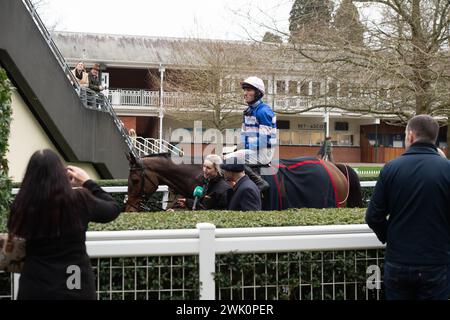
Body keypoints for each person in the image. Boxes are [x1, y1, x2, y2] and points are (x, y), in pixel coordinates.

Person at [7, 149, 121, 300]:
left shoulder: (22, 204)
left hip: (35, 285)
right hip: (74, 281)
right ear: (61, 174)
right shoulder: (79, 200)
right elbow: (113, 209)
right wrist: (87, 182)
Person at [365, 115, 450, 300]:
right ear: (434, 138)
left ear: (410, 136)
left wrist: (391, 237)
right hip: (437, 262)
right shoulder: (447, 169)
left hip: (399, 262)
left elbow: (373, 217)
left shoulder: (391, 168)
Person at [224, 76, 276, 192]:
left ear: (258, 93)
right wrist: (237, 149)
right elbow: (244, 135)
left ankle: (260, 182)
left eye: (249, 90)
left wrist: (240, 152)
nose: (245, 93)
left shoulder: (263, 111)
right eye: (245, 90)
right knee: (225, 153)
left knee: (228, 159)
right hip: (253, 150)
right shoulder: (248, 111)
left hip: (263, 152)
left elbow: (263, 141)